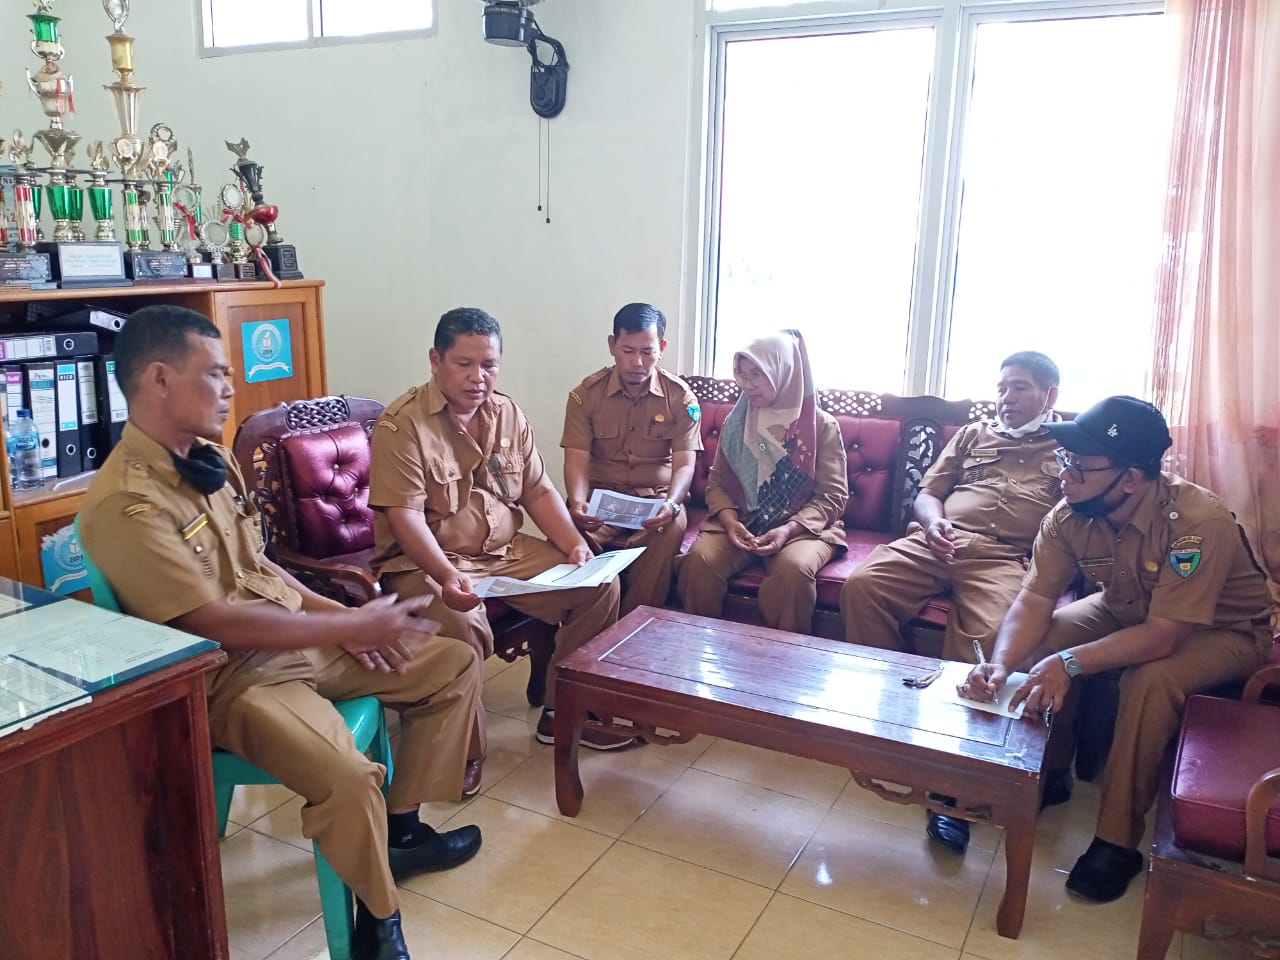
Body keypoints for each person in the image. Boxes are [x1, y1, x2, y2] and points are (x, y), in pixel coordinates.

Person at [79, 305, 484, 960]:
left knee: (452, 664)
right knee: (350, 778)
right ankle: (380, 928)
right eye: (214, 375)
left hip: (295, 639)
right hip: (232, 678)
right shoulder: (126, 502)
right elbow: (207, 620)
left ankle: (402, 833)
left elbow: (258, 567)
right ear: (159, 381)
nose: (231, 389)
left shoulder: (208, 461)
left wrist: (346, 621)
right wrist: (343, 626)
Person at [963, 396, 1273, 904]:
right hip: (1130, 607)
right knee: (1040, 640)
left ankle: (1117, 840)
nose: (1066, 475)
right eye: (1066, 461)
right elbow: (1035, 597)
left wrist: (1069, 662)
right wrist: (1001, 665)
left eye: (1080, 466)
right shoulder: (1072, 513)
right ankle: (1050, 772)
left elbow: (1164, 636)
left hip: (1226, 631)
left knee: (1148, 680)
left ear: (1129, 479)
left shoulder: (1196, 522)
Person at [369, 307, 629, 768]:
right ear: (435, 359)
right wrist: (447, 576)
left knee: (599, 583)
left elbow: (538, 489)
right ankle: (463, 751)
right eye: (463, 363)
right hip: (428, 562)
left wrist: (573, 544)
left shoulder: (507, 412)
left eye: (488, 365)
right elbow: (405, 518)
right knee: (460, 619)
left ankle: (561, 710)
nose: (477, 377)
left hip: (505, 552)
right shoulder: (402, 424)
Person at [838, 352, 1065, 853]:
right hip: (938, 540)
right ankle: (896, 719)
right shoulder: (971, 434)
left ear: (1050, 395)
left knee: (987, 640)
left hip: (1005, 557)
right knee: (864, 587)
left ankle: (952, 785)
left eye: (1020, 388)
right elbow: (928, 492)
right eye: (1002, 387)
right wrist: (933, 520)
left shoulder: (1069, 447)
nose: (1006, 398)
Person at [676, 329, 847, 633]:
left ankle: (781, 666)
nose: (747, 384)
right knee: (699, 562)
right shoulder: (738, 421)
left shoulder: (820, 426)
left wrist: (787, 529)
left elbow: (832, 497)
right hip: (742, 520)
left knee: (793, 572)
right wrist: (730, 522)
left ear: (782, 371)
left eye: (758, 374)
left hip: (801, 528)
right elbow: (716, 483)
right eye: (742, 374)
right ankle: (698, 655)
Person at [561, 302, 702, 616]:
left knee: (667, 531)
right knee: (565, 529)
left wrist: (673, 503)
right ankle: (586, 623)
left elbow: (684, 464)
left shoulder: (680, 397)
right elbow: (577, 459)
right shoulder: (586, 396)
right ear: (612, 345)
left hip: (656, 501)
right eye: (628, 350)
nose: (637, 362)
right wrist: (578, 502)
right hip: (601, 499)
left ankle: (633, 623)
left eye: (647, 352)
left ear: (661, 348)